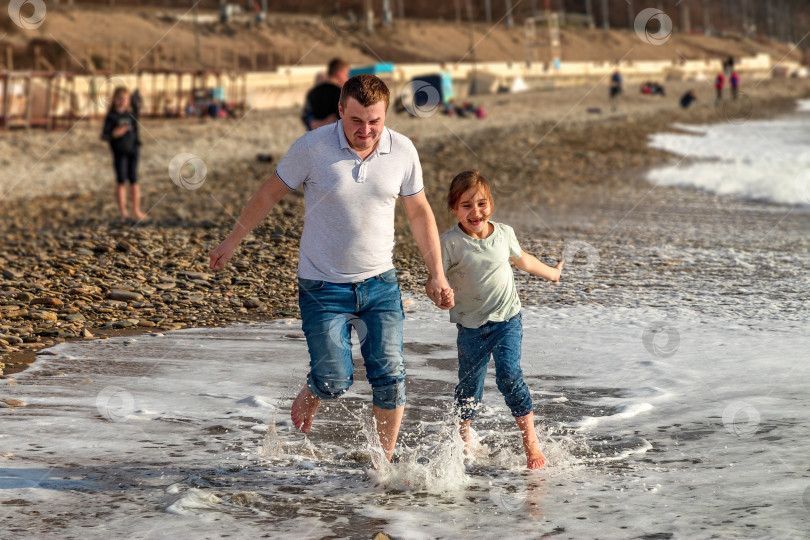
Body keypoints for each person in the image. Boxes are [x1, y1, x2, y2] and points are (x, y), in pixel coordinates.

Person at [209, 74, 454, 462]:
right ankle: (317, 388)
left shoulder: (403, 150)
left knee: (390, 379)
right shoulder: (312, 147)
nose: (366, 130)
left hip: (380, 284)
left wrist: (436, 273)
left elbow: (420, 212)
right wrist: (231, 241)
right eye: (357, 121)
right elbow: (268, 193)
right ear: (340, 111)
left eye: (375, 121)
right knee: (335, 380)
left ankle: (382, 464)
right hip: (322, 287)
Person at [439, 170, 564, 469]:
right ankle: (464, 438)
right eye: (466, 205)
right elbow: (436, 279)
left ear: (490, 205)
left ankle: (530, 443)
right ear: (454, 209)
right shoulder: (449, 243)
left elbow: (524, 260)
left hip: (507, 319)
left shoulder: (503, 233)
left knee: (509, 374)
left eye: (481, 203)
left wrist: (552, 273)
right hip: (470, 327)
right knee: (469, 386)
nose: (475, 211)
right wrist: (439, 295)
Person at [101, 87, 145, 222]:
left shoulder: (131, 115)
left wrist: (136, 99)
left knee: (134, 180)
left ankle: (136, 210)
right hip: (119, 153)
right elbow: (105, 135)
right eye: (120, 99)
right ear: (114, 100)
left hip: (133, 151)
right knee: (121, 181)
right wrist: (115, 133)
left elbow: (137, 112)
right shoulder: (111, 117)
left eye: (125, 99)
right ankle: (123, 212)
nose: (122, 102)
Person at [301, 58, 350, 131]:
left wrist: (317, 123)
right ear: (339, 73)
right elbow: (346, 119)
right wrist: (327, 122)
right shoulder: (343, 93)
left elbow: (305, 116)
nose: (347, 78)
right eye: (346, 74)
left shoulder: (312, 92)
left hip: (316, 137)